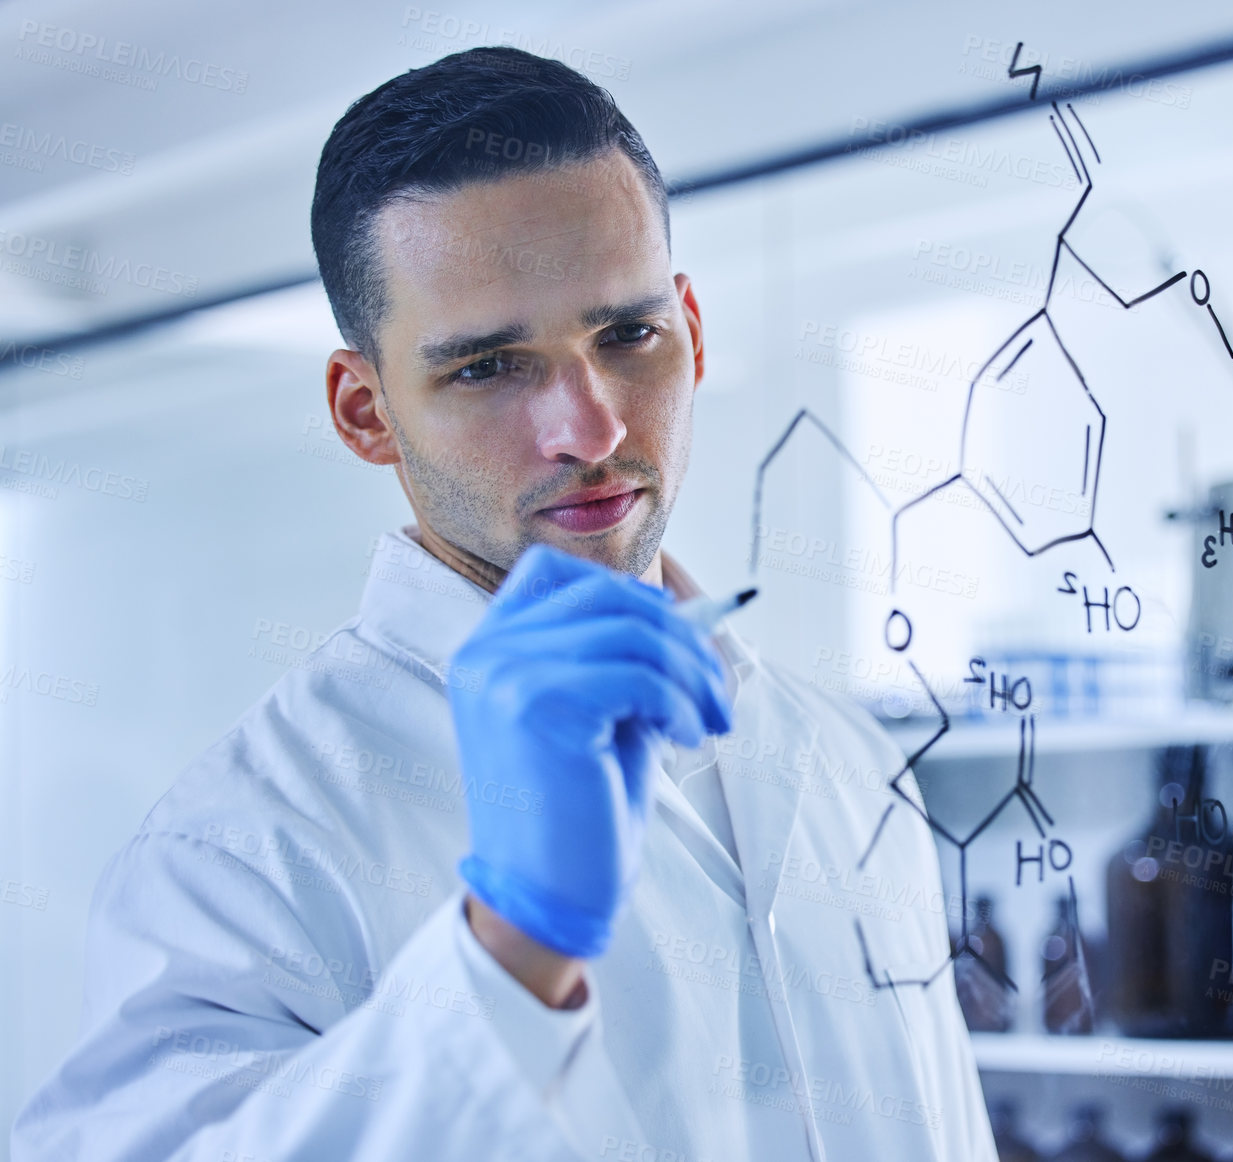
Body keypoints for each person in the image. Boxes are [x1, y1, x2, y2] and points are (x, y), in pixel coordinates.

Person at [13, 46, 994, 1162]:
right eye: (487, 367)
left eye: (627, 336)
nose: (592, 428)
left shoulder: (846, 758)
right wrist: (508, 949)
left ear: (693, 330)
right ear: (365, 411)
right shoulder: (243, 852)